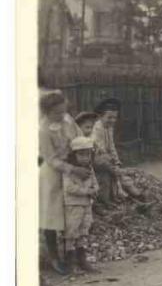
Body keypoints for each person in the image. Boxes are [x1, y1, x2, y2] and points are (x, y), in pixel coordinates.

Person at [39, 91, 84, 275]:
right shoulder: (43, 130)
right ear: (47, 112)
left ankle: (75, 256)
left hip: (73, 168)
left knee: (73, 213)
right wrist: (72, 169)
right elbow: (51, 159)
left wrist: (83, 155)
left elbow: (79, 139)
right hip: (53, 175)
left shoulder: (68, 120)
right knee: (52, 216)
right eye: (57, 112)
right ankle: (54, 257)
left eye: (63, 111)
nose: (61, 115)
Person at [63, 136, 100, 275]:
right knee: (72, 231)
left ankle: (82, 260)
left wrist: (95, 190)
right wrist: (87, 191)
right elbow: (69, 188)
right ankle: (70, 263)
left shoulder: (89, 168)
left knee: (84, 230)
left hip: (86, 204)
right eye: (81, 154)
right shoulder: (69, 170)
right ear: (73, 155)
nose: (85, 158)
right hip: (73, 204)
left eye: (88, 154)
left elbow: (95, 183)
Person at [91, 98, 122, 206]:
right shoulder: (97, 128)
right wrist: (112, 164)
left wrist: (117, 161)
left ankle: (115, 195)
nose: (112, 120)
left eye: (115, 117)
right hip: (95, 156)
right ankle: (108, 199)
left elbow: (111, 146)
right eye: (109, 117)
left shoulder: (109, 128)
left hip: (105, 158)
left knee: (112, 171)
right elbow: (101, 147)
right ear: (100, 116)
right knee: (110, 171)